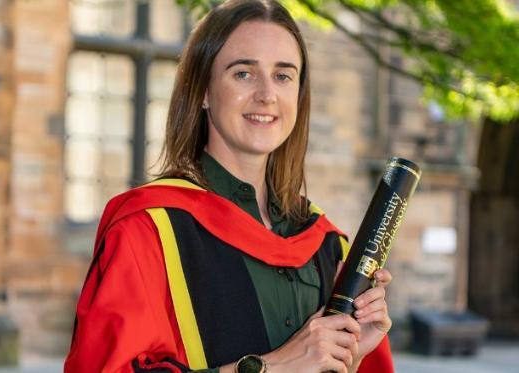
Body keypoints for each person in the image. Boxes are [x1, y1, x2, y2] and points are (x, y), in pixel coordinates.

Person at [64, 1, 394, 372]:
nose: (267, 94)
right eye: (243, 74)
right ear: (203, 91)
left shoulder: (327, 245)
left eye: (283, 76)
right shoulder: (148, 229)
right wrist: (271, 367)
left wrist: (352, 356)